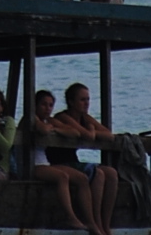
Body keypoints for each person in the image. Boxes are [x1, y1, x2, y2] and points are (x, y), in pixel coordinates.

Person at [29, 87, 101, 234]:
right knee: (63, 177)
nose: (48, 108)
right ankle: (70, 217)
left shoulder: (49, 120)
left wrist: (56, 129)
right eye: (43, 104)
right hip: (32, 164)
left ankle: (90, 221)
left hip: (45, 163)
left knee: (81, 178)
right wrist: (50, 126)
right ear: (35, 105)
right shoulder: (31, 118)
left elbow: (74, 132)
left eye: (50, 105)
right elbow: (43, 130)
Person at [50, 82, 120, 232]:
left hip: (73, 161)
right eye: (82, 100)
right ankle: (95, 222)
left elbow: (109, 136)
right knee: (98, 174)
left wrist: (92, 130)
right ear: (71, 102)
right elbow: (88, 136)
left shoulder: (84, 118)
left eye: (88, 99)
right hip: (59, 162)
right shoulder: (63, 117)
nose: (86, 103)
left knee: (112, 173)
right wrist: (91, 130)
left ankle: (105, 224)